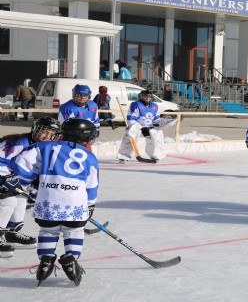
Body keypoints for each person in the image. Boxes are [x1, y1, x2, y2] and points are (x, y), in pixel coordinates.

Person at [4, 118, 99, 286]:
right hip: (75, 205)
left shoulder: (43, 146)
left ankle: (46, 259)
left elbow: (22, 166)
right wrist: (90, 204)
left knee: (48, 232)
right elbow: (92, 185)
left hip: (47, 202)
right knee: (74, 232)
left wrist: (28, 180)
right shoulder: (89, 156)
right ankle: (71, 258)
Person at [0, 117, 61, 257]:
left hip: (14, 180)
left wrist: (37, 183)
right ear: (36, 130)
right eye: (45, 132)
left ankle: (10, 233)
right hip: (2, 177)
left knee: (21, 200)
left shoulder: (44, 147)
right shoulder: (18, 142)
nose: (47, 137)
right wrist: (5, 177)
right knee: (9, 202)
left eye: (52, 135)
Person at [117, 90, 165, 162]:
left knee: (155, 137)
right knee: (130, 136)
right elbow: (131, 117)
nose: (148, 98)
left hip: (148, 125)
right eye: (146, 97)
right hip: (137, 124)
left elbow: (157, 118)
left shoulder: (154, 106)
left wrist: (164, 122)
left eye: (149, 97)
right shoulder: (136, 104)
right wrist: (131, 126)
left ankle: (155, 155)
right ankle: (123, 156)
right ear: (142, 97)